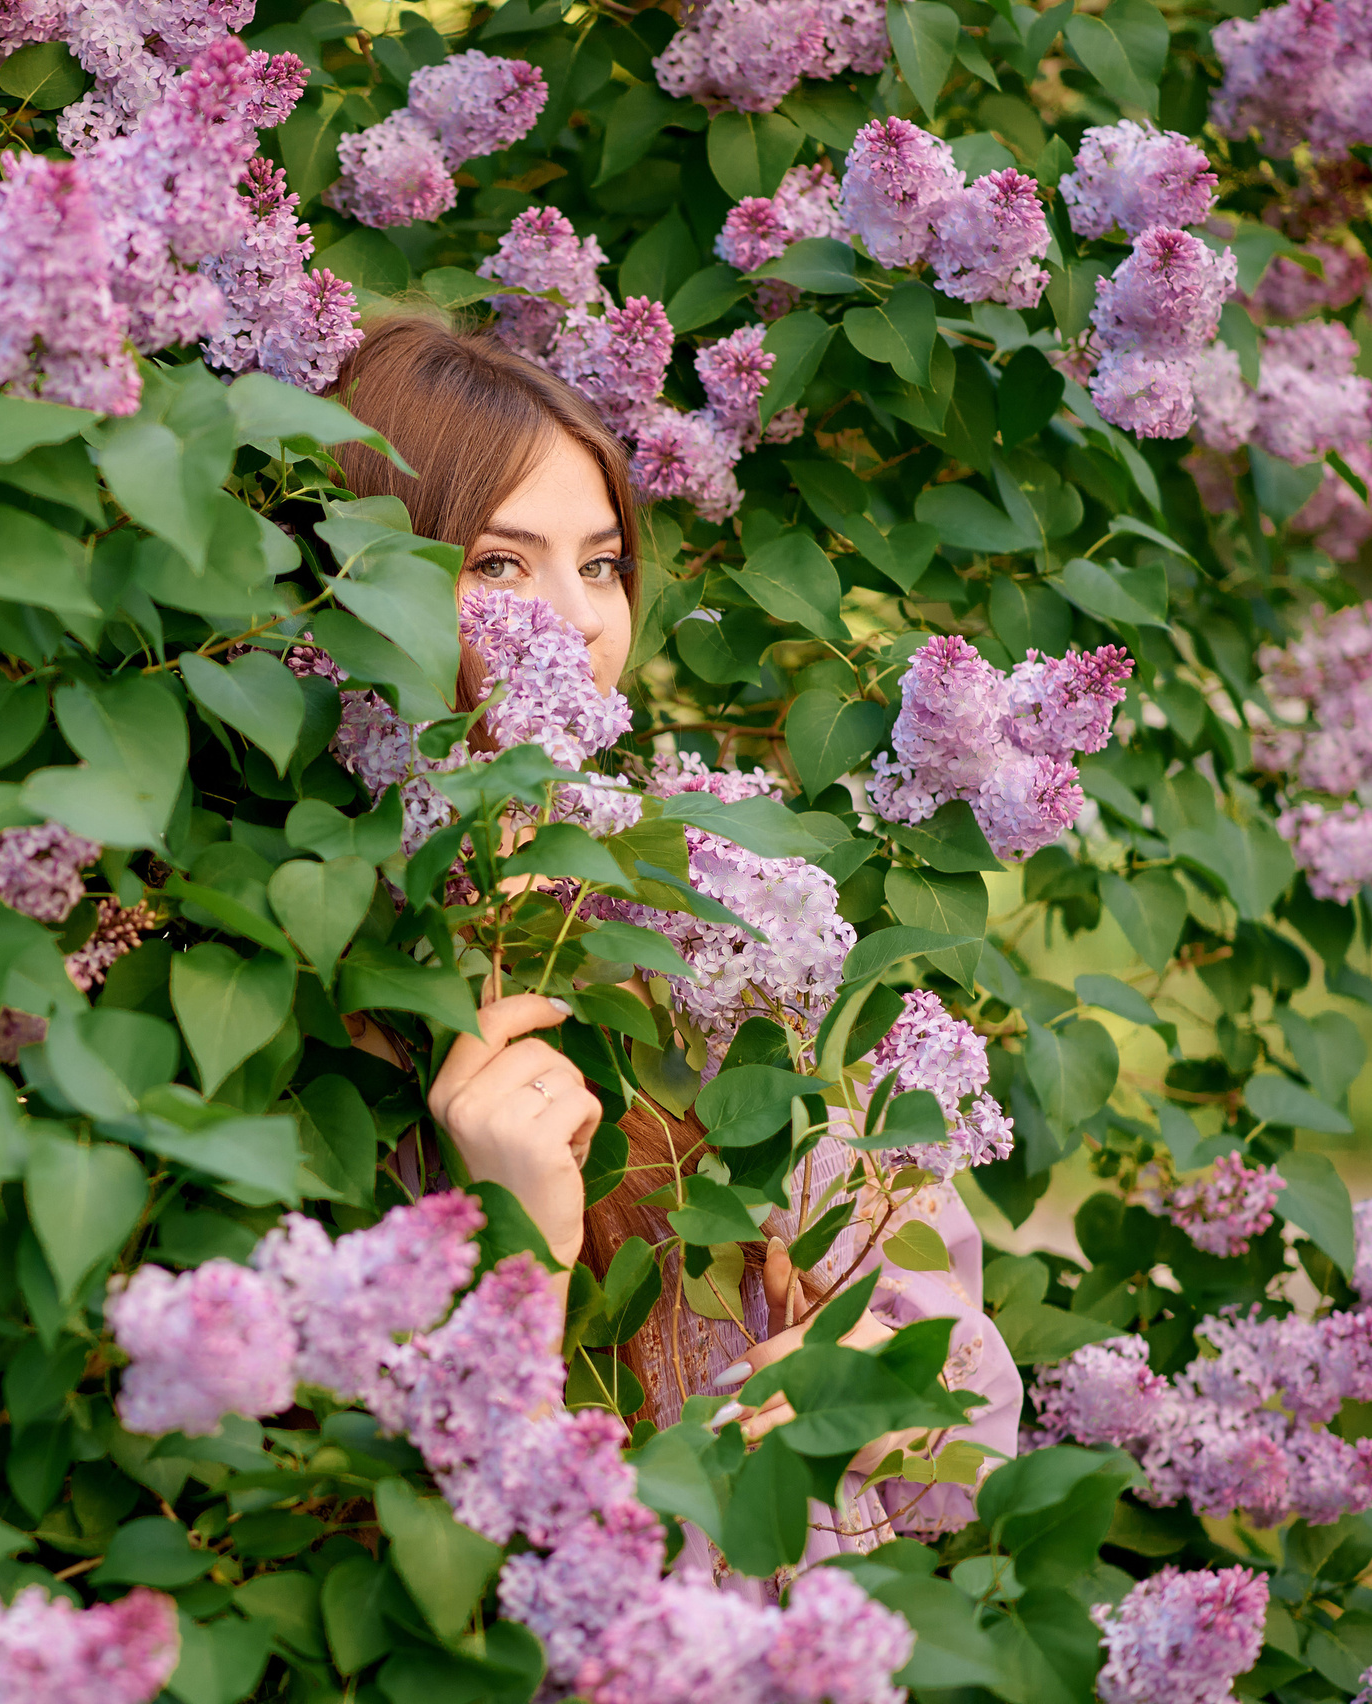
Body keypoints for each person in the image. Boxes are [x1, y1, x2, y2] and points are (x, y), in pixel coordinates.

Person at [329, 313, 1022, 1559]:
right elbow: (378, 1548)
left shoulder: (712, 922)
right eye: (496, 564)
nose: (581, 621)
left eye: (600, 564)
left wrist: (866, 1390)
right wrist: (517, 1255)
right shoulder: (323, 981)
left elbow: (960, 1412)